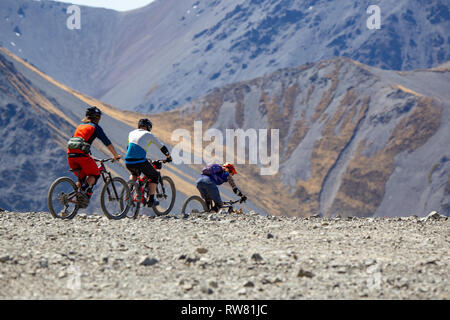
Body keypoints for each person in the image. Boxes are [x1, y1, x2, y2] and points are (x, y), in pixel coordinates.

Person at [67, 106, 121, 206]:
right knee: (95, 174)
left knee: (81, 178)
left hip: (70, 156)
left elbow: (80, 142)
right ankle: (82, 192)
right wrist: (115, 155)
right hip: (82, 156)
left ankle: (76, 198)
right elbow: (107, 142)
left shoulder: (80, 126)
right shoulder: (95, 127)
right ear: (97, 117)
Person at [125, 118, 172, 207]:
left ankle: (129, 192)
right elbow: (161, 147)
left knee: (134, 173)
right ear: (149, 127)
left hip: (128, 161)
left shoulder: (131, 133)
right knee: (155, 175)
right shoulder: (148, 134)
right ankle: (151, 200)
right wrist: (168, 157)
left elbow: (129, 147)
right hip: (140, 161)